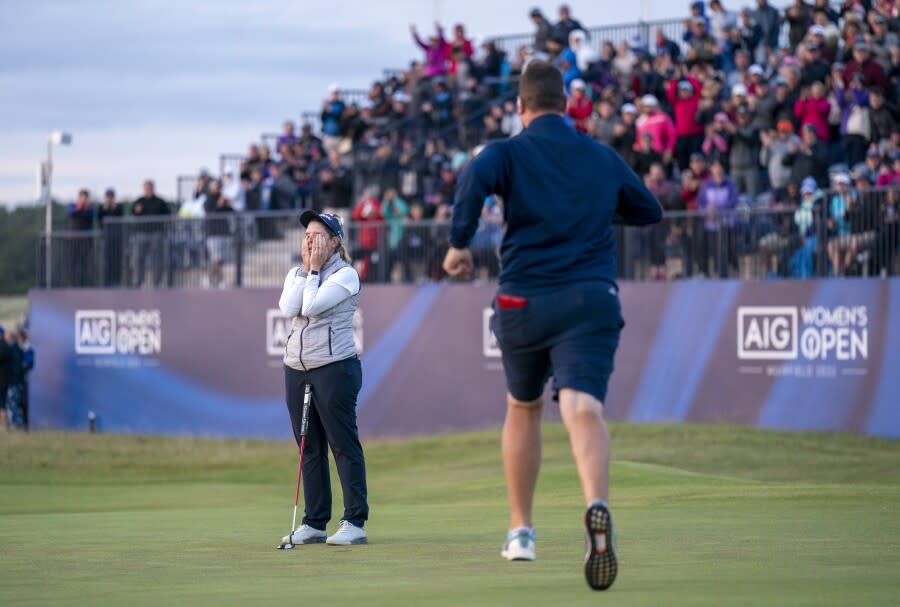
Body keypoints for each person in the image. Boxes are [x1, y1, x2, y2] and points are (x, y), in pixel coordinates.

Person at [442, 60, 662, 591]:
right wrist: (592, 211)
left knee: (524, 406)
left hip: (523, 300)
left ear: (520, 107)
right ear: (567, 105)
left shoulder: (508, 152)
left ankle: (521, 531)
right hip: (590, 298)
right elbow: (649, 210)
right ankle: (596, 507)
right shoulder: (600, 156)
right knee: (582, 407)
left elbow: (475, 176)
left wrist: (458, 243)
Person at [278, 211, 368, 546]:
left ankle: (354, 521)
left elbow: (313, 306)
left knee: (342, 445)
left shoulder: (346, 275)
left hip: (334, 368)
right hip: (296, 368)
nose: (310, 240)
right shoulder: (296, 273)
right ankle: (315, 522)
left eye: (318, 235)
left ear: (334, 241)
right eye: (306, 235)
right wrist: (306, 271)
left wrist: (313, 270)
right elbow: (290, 307)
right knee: (309, 448)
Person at [130, 180, 171, 288]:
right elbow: (132, 213)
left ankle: (156, 282)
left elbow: (168, 215)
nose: (148, 190)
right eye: (146, 188)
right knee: (138, 258)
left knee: (157, 259)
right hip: (141, 234)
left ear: (153, 189)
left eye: (149, 188)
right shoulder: (139, 201)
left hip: (156, 234)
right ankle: (138, 282)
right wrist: (136, 211)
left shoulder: (160, 202)